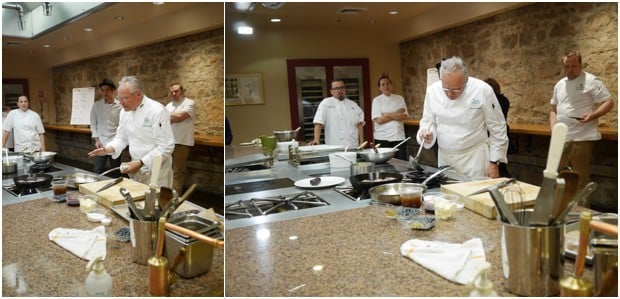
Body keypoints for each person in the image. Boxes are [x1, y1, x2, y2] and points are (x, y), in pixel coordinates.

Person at [417, 56, 508, 179]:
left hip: (475, 159)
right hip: (445, 159)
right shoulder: (432, 91)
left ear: (466, 80)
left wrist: (494, 162)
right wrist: (426, 134)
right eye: (446, 89)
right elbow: (428, 121)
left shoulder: (482, 90)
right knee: (448, 196)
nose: (450, 94)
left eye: (456, 90)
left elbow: (498, 128)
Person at [550, 50, 614, 206]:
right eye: (567, 66)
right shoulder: (559, 84)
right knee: (556, 175)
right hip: (562, 137)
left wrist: (592, 115)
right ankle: (560, 210)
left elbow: (609, 102)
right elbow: (553, 110)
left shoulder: (591, 81)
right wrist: (554, 130)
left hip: (582, 137)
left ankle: (581, 215)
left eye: (574, 66)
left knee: (580, 178)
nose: (570, 70)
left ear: (580, 64)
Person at [88, 76, 175, 188]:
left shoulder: (157, 111)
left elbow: (166, 146)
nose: (121, 102)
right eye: (119, 98)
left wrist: (141, 162)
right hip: (136, 168)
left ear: (138, 94)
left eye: (124, 98)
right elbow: (121, 137)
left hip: (157, 171)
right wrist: (109, 149)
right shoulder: (125, 112)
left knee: (155, 202)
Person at [310, 79, 365, 147]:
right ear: (331, 91)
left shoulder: (354, 105)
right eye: (336, 88)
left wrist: (361, 142)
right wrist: (316, 139)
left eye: (342, 87)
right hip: (333, 146)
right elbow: (318, 123)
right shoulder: (326, 103)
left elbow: (359, 125)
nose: (339, 90)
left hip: (352, 145)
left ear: (345, 89)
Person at [165, 83, 196, 193]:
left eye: (176, 91)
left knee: (177, 171)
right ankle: (165, 193)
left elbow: (180, 117)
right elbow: (161, 120)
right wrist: (170, 117)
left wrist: (167, 117)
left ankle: (175, 196)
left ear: (182, 91)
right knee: (166, 170)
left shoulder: (190, 103)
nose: (174, 93)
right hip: (168, 142)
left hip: (182, 142)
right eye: (172, 91)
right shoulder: (169, 106)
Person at [371, 75, 409, 160]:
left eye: (388, 84)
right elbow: (379, 120)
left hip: (398, 137)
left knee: (401, 163)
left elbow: (404, 116)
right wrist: (396, 114)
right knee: (384, 165)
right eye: (383, 85)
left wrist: (387, 114)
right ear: (379, 88)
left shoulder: (399, 98)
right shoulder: (376, 100)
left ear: (391, 86)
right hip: (382, 138)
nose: (386, 86)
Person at [90, 78, 122, 176]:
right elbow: (93, 123)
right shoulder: (96, 105)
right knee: (97, 170)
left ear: (113, 90)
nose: (105, 93)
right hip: (101, 143)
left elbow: (122, 124)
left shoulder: (120, 106)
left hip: (115, 143)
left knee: (116, 171)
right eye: (103, 90)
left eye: (107, 90)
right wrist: (97, 140)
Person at [484, 77, 512, 178]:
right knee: (502, 165)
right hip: (504, 133)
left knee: (494, 165)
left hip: (490, 135)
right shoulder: (504, 100)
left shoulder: (490, 101)